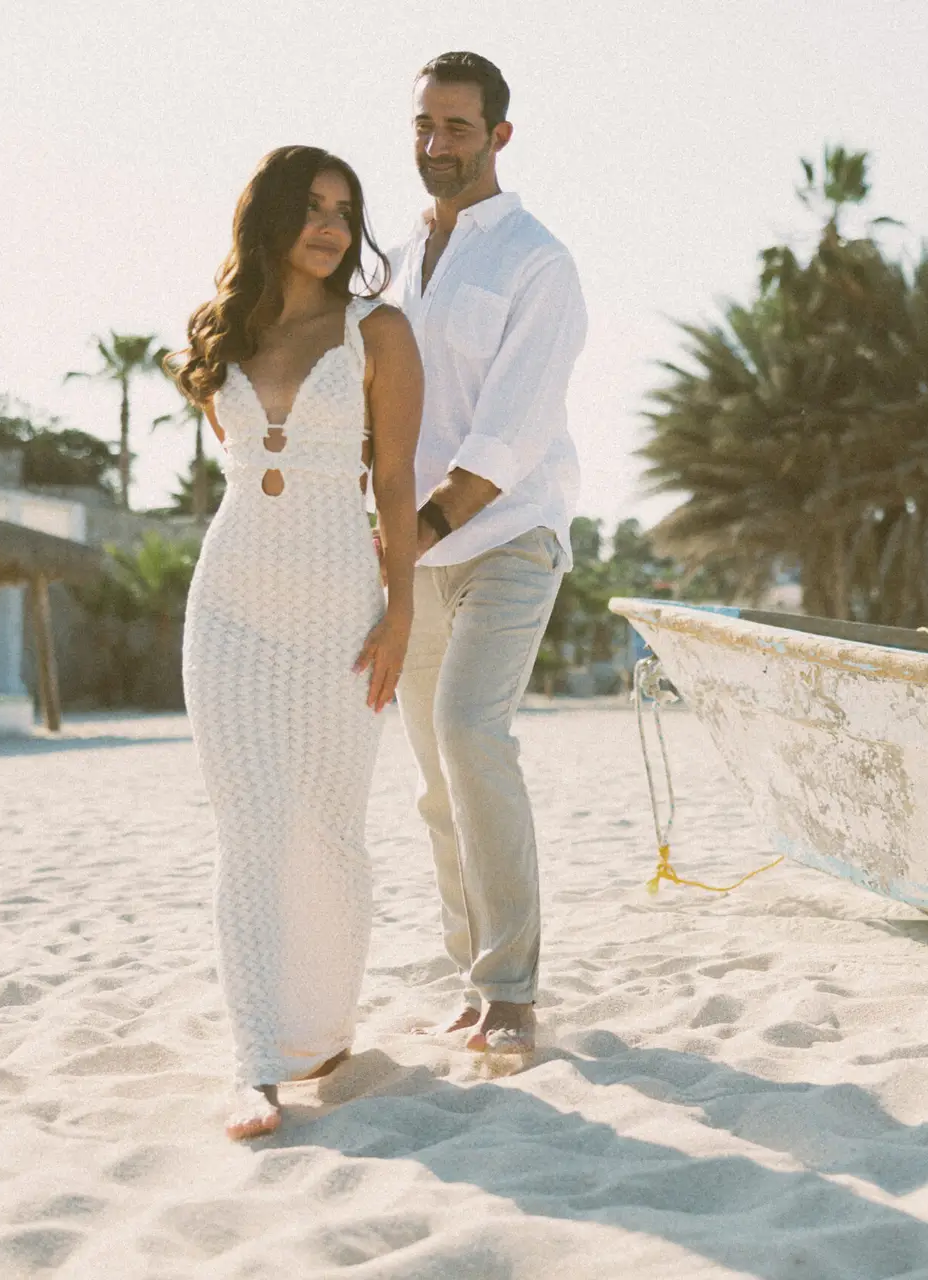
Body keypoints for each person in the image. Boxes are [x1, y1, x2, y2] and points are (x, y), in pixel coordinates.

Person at [169, 145, 424, 1141]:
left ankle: (317, 1032)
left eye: (345, 210)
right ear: (269, 215)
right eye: (311, 206)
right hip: (229, 603)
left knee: (325, 829)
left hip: (339, 608)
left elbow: (395, 483)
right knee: (252, 830)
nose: (328, 226)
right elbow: (246, 467)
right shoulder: (216, 332)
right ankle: (256, 1062)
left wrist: (400, 610)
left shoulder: (381, 331)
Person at [395, 53, 588, 1057]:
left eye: (457, 128)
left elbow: (510, 434)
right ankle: (471, 976)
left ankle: (511, 988)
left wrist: (417, 527)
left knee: (473, 735)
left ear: (500, 136)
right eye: (424, 125)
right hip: (413, 556)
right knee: (435, 777)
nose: (436, 145)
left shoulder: (536, 260)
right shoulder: (387, 262)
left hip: (509, 533)